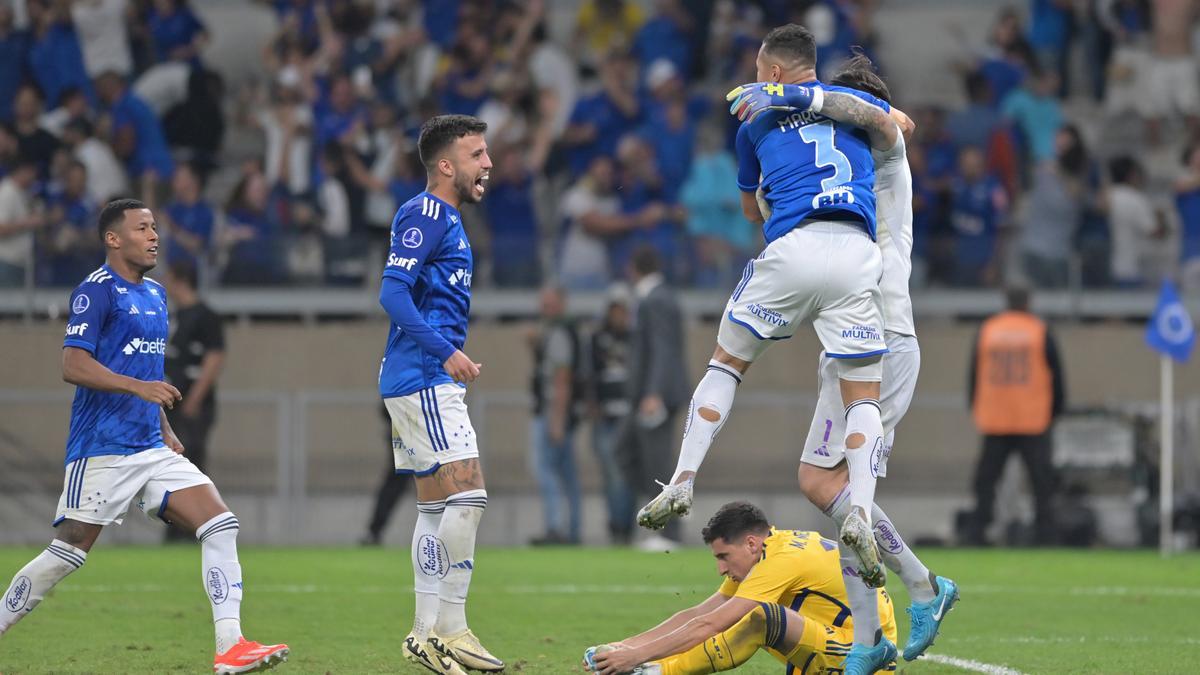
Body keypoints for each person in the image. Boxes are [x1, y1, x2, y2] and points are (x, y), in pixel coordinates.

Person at [638, 24, 905, 672]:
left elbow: (752, 213)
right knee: (861, 392)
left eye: (762, 71)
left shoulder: (752, 123)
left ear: (775, 72)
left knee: (725, 363)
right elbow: (896, 123)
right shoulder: (861, 119)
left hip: (792, 249)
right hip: (854, 254)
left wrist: (769, 171)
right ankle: (861, 510)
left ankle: (682, 477)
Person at [0, 200, 288, 674]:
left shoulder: (155, 294)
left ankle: (230, 646)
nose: (154, 236)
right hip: (102, 448)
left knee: (220, 524)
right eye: (142, 228)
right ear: (114, 239)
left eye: (155, 227)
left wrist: (164, 426)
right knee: (65, 555)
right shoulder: (96, 292)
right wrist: (139, 388)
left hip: (150, 447)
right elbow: (73, 365)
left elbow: (147, 369)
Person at [377, 114, 503, 675]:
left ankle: (423, 634)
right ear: (446, 165)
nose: (489, 164)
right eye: (477, 154)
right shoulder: (427, 212)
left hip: (415, 377)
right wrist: (446, 353)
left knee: (434, 508)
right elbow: (392, 293)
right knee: (470, 493)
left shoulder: (445, 219)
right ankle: (453, 628)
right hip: (425, 377)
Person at [587, 501, 898, 675]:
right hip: (835, 643)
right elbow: (699, 612)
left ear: (750, 542)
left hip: (863, 660)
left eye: (724, 556)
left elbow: (709, 625)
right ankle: (647, 667)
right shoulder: (770, 548)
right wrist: (623, 647)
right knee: (755, 615)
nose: (721, 568)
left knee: (764, 618)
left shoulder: (781, 559)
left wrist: (637, 658)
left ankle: (654, 673)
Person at [964, 286, 1065, 546]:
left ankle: (977, 531)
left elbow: (974, 372)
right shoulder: (1038, 330)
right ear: (1028, 301)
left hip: (996, 416)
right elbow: (1057, 375)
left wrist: (975, 405)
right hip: (1032, 417)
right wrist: (1056, 410)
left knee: (986, 480)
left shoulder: (989, 330)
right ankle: (1046, 534)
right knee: (1041, 481)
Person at [620, 246, 688, 549]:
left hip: (655, 396)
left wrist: (653, 392)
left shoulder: (656, 299)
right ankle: (661, 515)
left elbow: (662, 348)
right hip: (648, 395)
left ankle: (668, 532)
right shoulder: (658, 297)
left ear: (634, 268)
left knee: (658, 463)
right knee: (625, 452)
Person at [162, 260, 226, 542]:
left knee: (192, 462)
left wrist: (195, 398)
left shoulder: (205, 316)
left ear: (180, 280)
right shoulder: (176, 316)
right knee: (174, 465)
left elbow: (215, 357)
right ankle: (177, 529)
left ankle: (198, 525)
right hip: (174, 403)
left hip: (193, 403)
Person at [529, 286, 583, 545]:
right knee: (567, 474)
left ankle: (556, 528)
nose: (544, 309)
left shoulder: (560, 332)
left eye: (549, 304)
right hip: (561, 414)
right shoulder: (560, 331)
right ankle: (571, 530)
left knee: (546, 470)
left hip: (553, 414)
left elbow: (561, 379)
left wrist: (557, 420)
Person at [588, 290, 636, 544]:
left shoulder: (635, 339)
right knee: (611, 476)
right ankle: (616, 527)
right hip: (606, 417)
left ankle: (627, 526)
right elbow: (590, 374)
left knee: (627, 476)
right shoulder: (597, 339)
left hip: (628, 419)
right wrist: (592, 403)